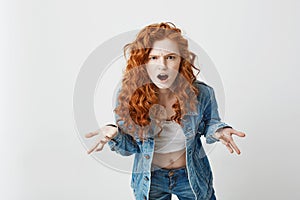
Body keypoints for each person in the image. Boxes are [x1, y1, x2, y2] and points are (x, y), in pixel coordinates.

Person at [85, 22, 246, 200]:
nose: (162, 65)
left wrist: (219, 130)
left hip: (191, 177)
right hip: (150, 179)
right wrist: (114, 133)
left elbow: (209, 124)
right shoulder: (127, 95)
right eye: (153, 58)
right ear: (142, 62)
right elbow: (130, 147)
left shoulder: (202, 93)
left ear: (181, 60)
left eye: (170, 57)